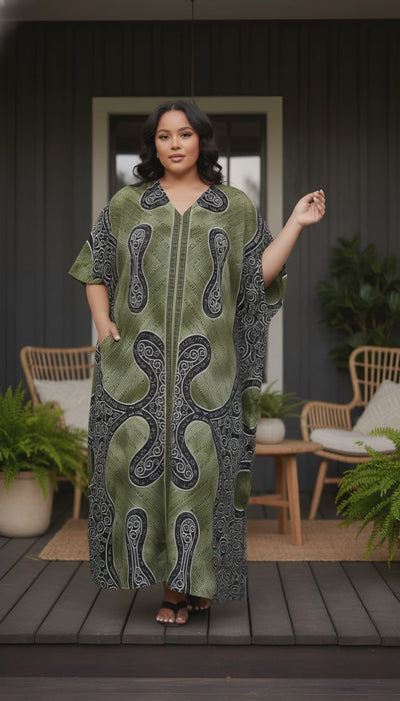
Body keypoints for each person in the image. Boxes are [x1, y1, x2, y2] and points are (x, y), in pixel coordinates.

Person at [69, 99, 325, 625]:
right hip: (135, 372)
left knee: (201, 477)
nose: (175, 144)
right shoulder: (127, 204)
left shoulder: (234, 206)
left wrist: (296, 224)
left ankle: (193, 583)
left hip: (210, 375)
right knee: (140, 479)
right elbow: (95, 266)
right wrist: (102, 322)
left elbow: (255, 277)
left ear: (201, 140)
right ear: (153, 144)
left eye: (185, 134)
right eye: (164, 136)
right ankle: (172, 592)